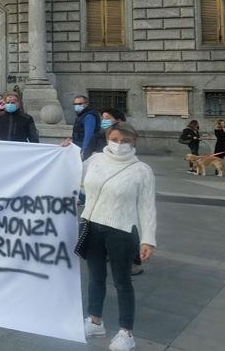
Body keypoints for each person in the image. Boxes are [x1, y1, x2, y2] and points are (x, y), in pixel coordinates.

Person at [80, 122, 157, 351]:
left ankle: (126, 332)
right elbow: (68, 171)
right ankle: (95, 321)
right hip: (92, 226)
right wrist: (63, 151)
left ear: (133, 142)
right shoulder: (94, 160)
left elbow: (147, 206)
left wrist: (148, 239)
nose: (119, 145)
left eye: (125, 141)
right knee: (95, 277)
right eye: (115, 139)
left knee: (122, 282)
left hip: (122, 230)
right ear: (107, 139)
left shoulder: (142, 170)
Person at [72, 95, 99, 160]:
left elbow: (88, 135)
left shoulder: (89, 116)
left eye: (80, 104)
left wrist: (84, 151)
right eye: (75, 104)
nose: (77, 105)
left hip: (84, 148)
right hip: (78, 146)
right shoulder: (82, 115)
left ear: (86, 104)